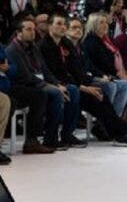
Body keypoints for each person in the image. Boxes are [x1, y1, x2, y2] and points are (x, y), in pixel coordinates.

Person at [40, 14, 127, 146]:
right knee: (88, 94)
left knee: (101, 96)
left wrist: (86, 85)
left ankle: (119, 133)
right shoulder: (44, 46)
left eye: (64, 24)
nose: (63, 27)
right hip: (59, 85)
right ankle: (123, 129)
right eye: (59, 24)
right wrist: (83, 87)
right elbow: (54, 73)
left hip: (74, 83)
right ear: (49, 26)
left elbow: (76, 71)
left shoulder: (66, 44)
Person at [7, 16, 84, 149]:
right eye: (28, 29)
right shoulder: (12, 50)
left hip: (39, 83)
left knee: (71, 89)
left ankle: (66, 134)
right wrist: (51, 86)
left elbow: (45, 70)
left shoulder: (33, 47)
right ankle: (49, 138)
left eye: (33, 29)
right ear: (18, 32)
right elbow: (26, 76)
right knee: (53, 93)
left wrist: (56, 83)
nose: (32, 32)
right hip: (22, 85)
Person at [1, 39, 53, 154]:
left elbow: (14, 68)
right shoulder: (12, 49)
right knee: (10, 102)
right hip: (4, 88)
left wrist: (7, 68)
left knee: (39, 95)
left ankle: (31, 141)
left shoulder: (1, 47)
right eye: (29, 29)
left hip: (6, 86)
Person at [81, 13, 127, 117]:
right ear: (93, 25)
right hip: (94, 76)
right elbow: (88, 64)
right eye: (101, 23)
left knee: (125, 84)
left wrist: (120, 73)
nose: (105, 25)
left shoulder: (106, 41)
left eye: (106, 22)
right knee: (111, 86)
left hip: (108, 75)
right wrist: (102, 75)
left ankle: (115, 118)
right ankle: (105, 119)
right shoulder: (90, 41)